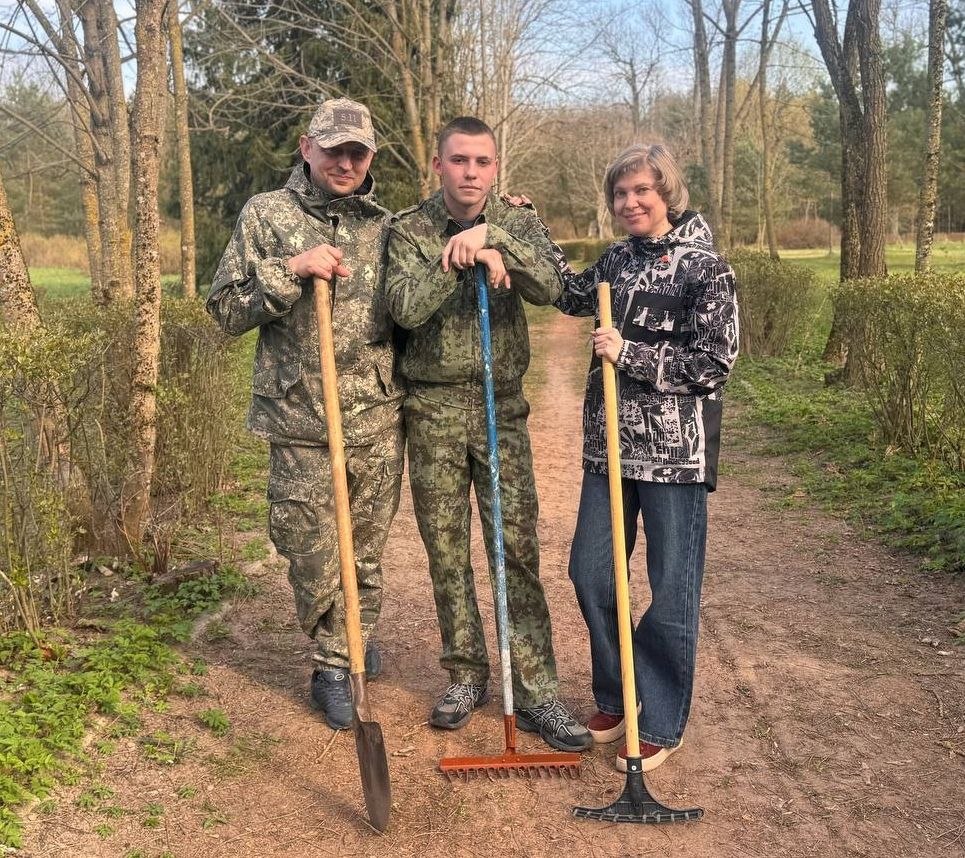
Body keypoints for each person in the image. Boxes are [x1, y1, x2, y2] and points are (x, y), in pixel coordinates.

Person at [382, 116, 591, 753]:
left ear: (495, 167)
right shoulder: (407, 228)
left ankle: (536, 691)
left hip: (503, 407)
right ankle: (466, 674)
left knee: (515, 546)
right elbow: (403, 309)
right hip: (434, 409)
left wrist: (496, 236)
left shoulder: (518, 219)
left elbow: (554, 288)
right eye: (459, 160)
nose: (471, 172)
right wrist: (456, 258)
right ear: (438, 165)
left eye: (482, 162)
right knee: (446, 551)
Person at [207, 98, 405, 731]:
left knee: (366, 547)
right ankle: (330, 662)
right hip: (298, 414)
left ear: (371, 155)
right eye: (333, 149)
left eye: (358, 151)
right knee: (311, 546)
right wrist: (290, 269)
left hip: (374, 412)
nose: (346, 162)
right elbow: (222, 312)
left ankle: (351, 645)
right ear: (306, 148)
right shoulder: (267, 215)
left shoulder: (387, 226)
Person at [551, 143, 738, 771]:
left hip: (673, 457)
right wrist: (515, 226)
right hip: (609, 452)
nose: (629, 203)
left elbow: (714, 364)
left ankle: (658, 715)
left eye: (641, 192)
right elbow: (569, 293)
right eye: (620, 194)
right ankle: (616, 691)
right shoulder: (616, 261)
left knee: (670, 586)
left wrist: (629, 353)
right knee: (590, 572)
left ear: (667, 194)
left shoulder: (704, 268)